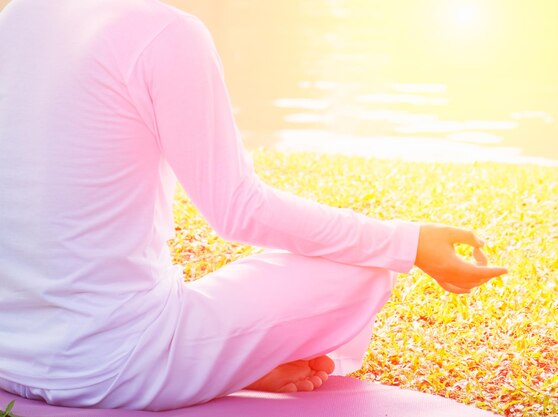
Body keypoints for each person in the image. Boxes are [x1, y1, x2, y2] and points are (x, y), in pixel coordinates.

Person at [0, 0, 507, 411]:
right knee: (368, 269)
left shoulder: (16, 16)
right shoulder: (165, 33)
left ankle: (231, 360)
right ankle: (230, 363)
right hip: (117, 364)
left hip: (11, 353)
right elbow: (238, 208)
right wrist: (407, 242)